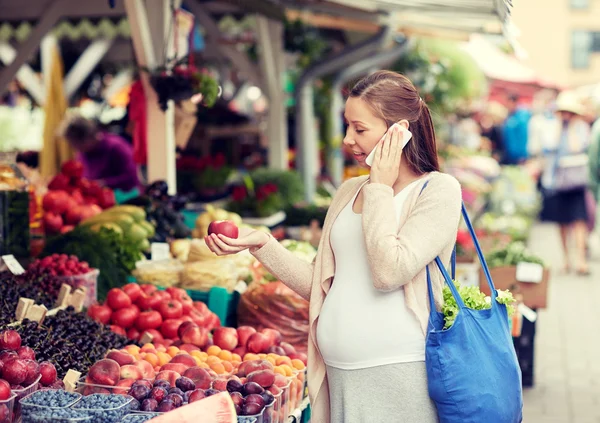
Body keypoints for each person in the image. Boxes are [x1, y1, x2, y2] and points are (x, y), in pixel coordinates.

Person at [205, 70, 462, 422]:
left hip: (397, 373)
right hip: (338, 373)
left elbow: (390, 271)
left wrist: (380, 188)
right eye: (347, 127)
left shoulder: (437, 191)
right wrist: (262, 244)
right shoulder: (347, 193)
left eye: (359, 129)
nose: (346, 140)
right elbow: (322, 284)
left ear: (398, 132)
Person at [538, 91, 591, 275]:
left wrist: (572, 129)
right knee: (561, 222)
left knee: (579, 221)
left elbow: (577, 148)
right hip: (556, 182)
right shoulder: (551, 127)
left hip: (576, 182)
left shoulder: (581, 128)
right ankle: (566, 258)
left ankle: (580, 260)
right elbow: (549, 147)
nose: (567, 116)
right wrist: (560, 127)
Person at [60, 115, 139, 192]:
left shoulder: (116, 147)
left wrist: (103, 183)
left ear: (88, 137)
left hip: (124, 198)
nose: (75, 148)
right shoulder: (82, 153)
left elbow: (132, 177)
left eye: (76, 144)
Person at [502, 94, 532, 165]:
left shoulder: (522, 116)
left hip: (519, 155)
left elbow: (524, 136)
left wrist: (522, 155)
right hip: (509, 153)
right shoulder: (509, 115)